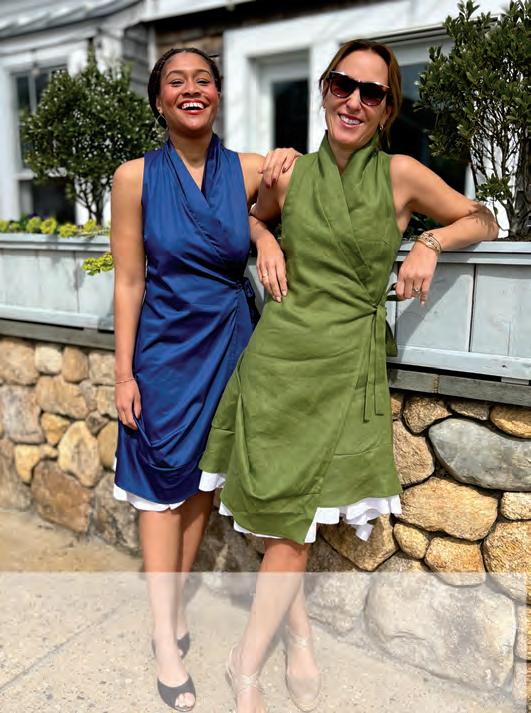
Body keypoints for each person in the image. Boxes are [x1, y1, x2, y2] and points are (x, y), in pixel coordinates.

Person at [198, 39, 498, 713]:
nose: (354, 101)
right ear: (325, 90)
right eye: (343, 85)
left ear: (387, 109)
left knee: (292, 520)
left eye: (372, 93)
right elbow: (242, 218)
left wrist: (429, 241)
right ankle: (295, 639)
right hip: (275, 360)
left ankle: (244, 665)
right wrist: (264, 237)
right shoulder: (287, 173)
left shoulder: (400, 174)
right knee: (275, 516)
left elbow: (483, 217)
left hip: (342, 365)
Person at [110, 47, 298, 712]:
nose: (191, 90)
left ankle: (173, 609)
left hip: (230, 344)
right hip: (163, 351)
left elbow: (282, 207)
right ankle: (165, 634)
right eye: (175, 82)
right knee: (160, 490)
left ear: (218, 94)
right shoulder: (134, 177)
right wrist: (123, 372)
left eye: (203, 80)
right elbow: (128, 280)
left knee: (198, 489)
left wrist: (262, 232)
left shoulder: (248, 168)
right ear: (159, 101)